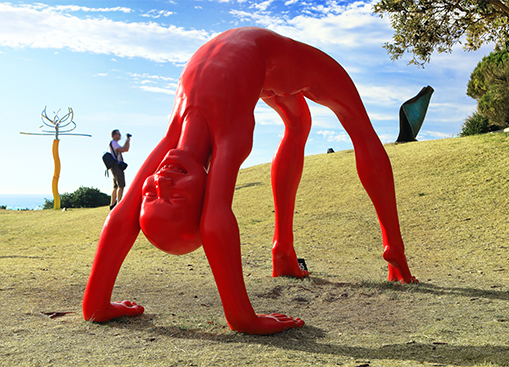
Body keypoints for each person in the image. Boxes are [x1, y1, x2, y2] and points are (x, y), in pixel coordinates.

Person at [83, 27, 418, 335]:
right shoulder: (230, 135)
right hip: (265, 63)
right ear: (204, 190)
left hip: (255, 65)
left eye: (152, 194)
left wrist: (96, 305)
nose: (162, 182)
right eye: (174, 197)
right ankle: (386, 249)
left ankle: (286, 252)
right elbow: (215, 219)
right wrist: (243, 319)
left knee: (301, 121)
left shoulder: (174, 136)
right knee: (345, 120)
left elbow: (124, 211)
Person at [108, 129, 130, 210]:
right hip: (116, 166)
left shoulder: (113, 143)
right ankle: (118, 204)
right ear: (114, 135)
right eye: (118, 134)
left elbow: (125, 149)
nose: (120, 136)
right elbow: (123, 149)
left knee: (115, 186)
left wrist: (127, 141)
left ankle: (112, 204)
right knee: (121, 185)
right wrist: (127, 141)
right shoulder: (113, 143)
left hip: (114, 167)